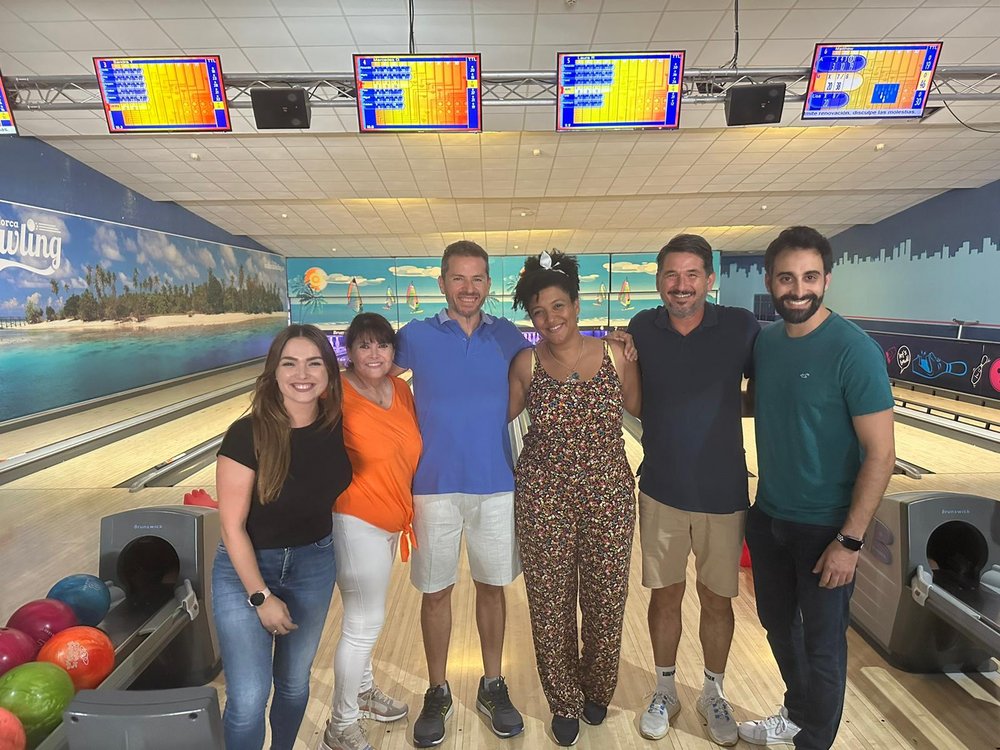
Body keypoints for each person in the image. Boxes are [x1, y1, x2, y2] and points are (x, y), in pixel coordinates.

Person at [740, 226, 895, 750]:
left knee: (825, 646)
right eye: (787, 278)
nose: (798, 289)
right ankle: (797, 712)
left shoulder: (854, 351)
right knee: (779, 628)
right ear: (771, 282)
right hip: (769, 518)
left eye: (809, 276)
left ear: (827, 278)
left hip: (827, 527)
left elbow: (882, 454)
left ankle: (815, 740)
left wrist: (850, 541)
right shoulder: (766, 343)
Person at [393, 240, 531, 748]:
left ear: (488, 284)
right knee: (436, 591)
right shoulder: (415, 337)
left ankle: (492, 684)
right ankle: (437, 689)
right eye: (458, 278)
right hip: (432, 487)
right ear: (442, 282)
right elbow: (371, 378)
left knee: (493, 587)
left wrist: (619, 345)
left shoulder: (509, 335)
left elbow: (553, 366)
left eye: (478, 279)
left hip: (497, 483)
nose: (468, 288)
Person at [625, 234, 758, 747]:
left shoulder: (741, 327)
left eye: (691, 275)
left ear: (709, 278)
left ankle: (713, 691)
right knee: (665, 595)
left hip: (724, 491)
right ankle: (664, 688)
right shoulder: (643, 326)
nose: (681, 286)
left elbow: (766, 389)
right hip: (660, 487)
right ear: (659, 280)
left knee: (718, 599)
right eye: (671, 276)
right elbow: (634, 402)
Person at [508, 250, 640, 747]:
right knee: (549, 603)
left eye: (559, 306)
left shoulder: (614, 355)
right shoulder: (525, 363)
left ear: (577, 305)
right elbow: (491, 418)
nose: (550, 319)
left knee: (606, 599)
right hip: (543, 497)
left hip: (608, 493)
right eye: (539, 311)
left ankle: (597, 689)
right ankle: (562, 697)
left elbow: (644, 408)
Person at [211, 324, 352, 750]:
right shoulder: (245, 434)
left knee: (292, 685)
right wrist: (260, 596)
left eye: (313, 362)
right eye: (289, 363)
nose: (302, 373)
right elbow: (231, 526)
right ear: (274, 372)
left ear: (328, 371)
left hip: (314, 564)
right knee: (249, 698)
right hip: (246, 571)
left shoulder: (335, 425)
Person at [320, 313, 421, 750]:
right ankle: (340, 726)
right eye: (364, 345)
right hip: (354, 519)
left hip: (390, 521)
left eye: (382, 344)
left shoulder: (400, 389)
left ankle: (361, 692)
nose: (374, 353)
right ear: (350, 352)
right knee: (365, 621)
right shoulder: (335, 392)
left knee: (362, 619)